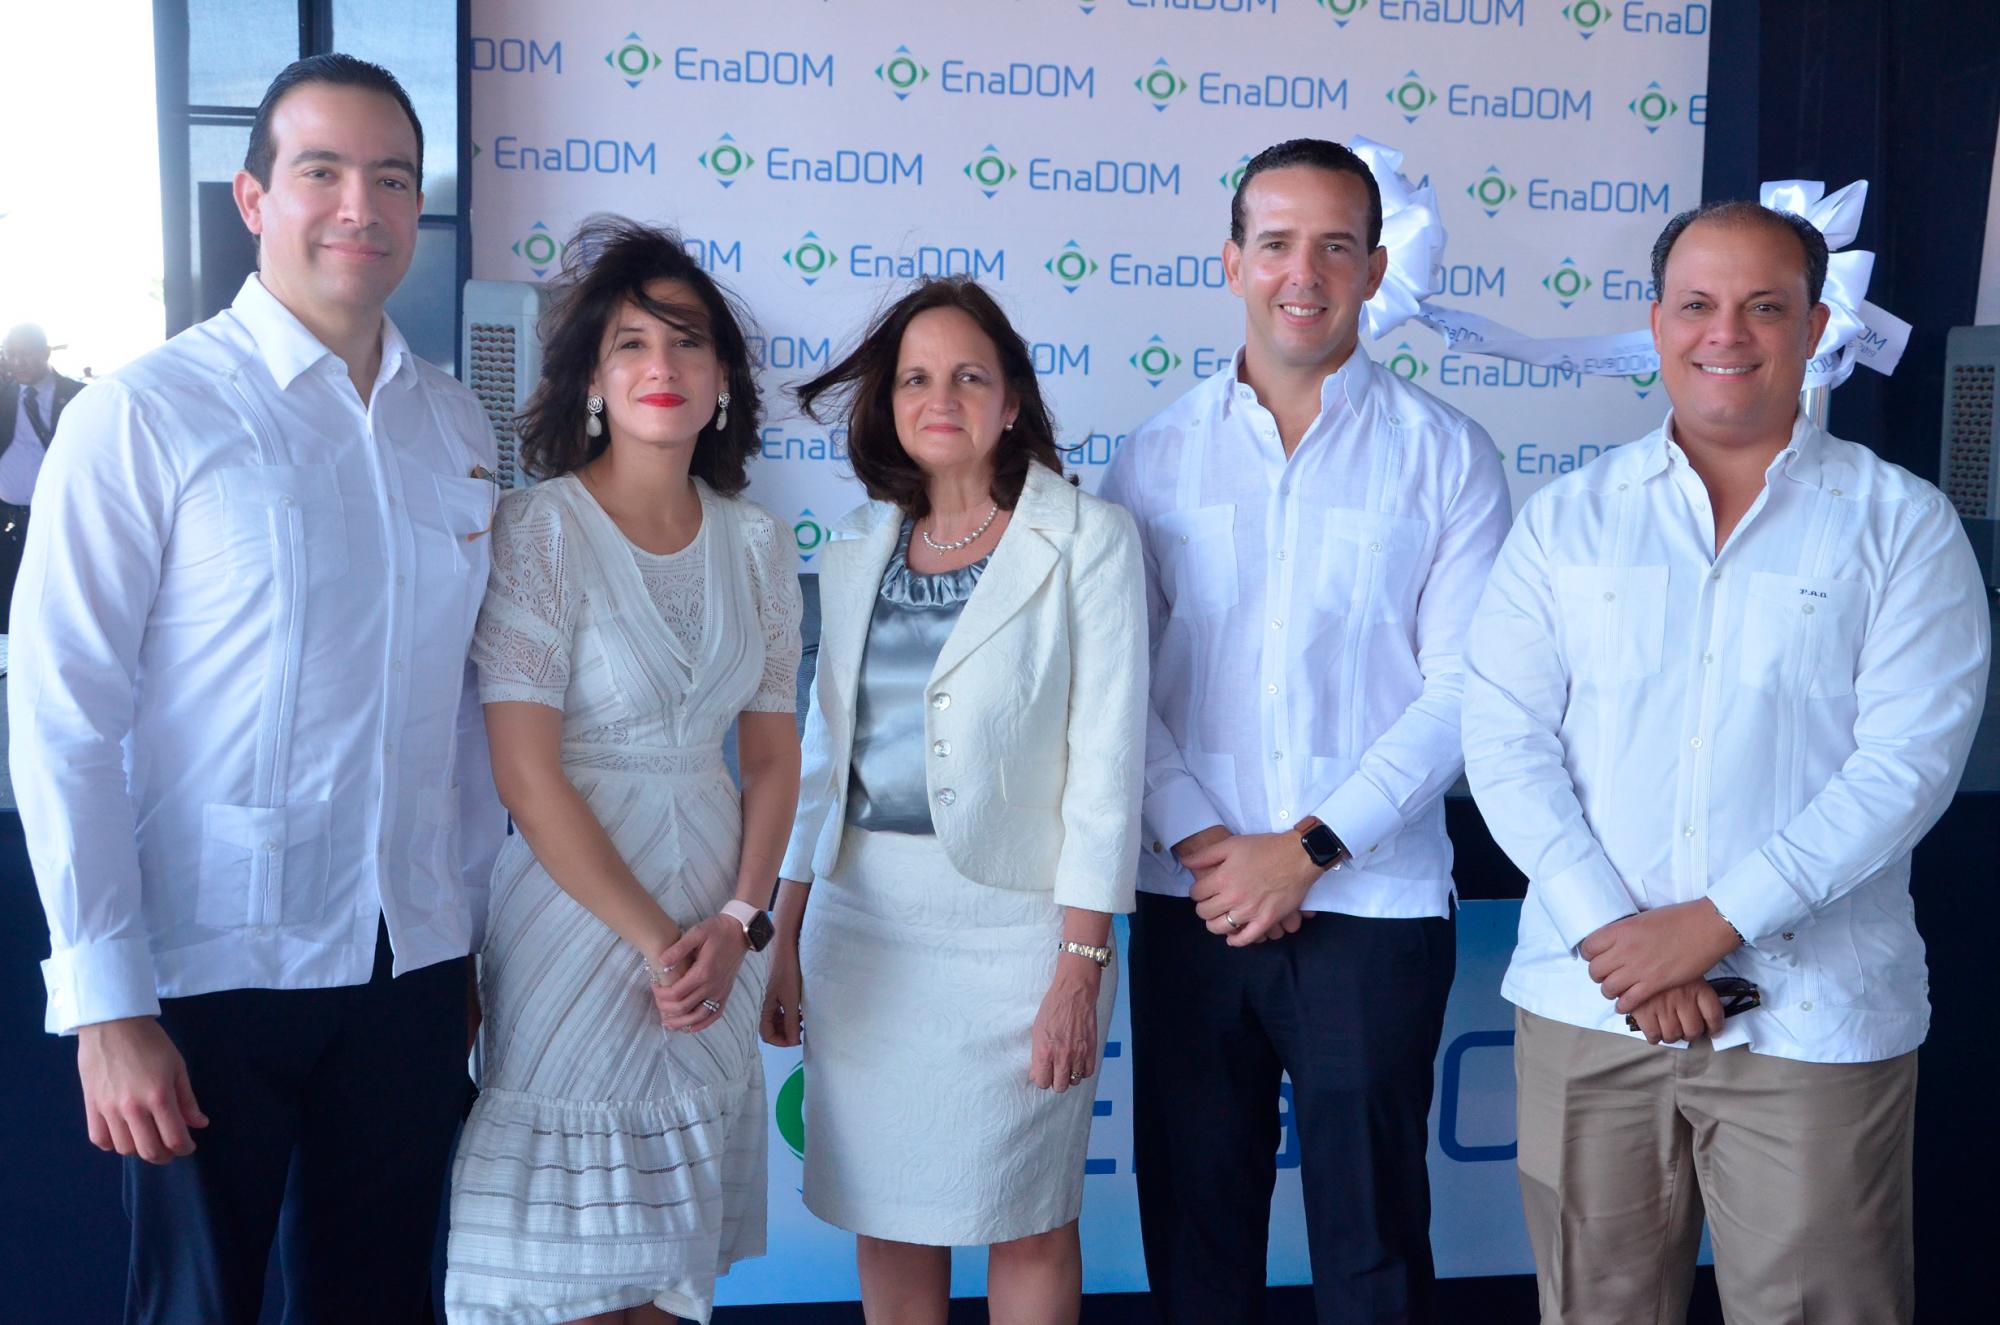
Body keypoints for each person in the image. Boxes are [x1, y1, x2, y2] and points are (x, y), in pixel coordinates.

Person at [9, 55, 505, 1324]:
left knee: (382, 1295)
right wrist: (107, 1003)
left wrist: (469, 931)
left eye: (392, 178)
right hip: (209, 959)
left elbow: (463, 709)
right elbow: (66, 709)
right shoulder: (146, 413)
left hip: (408, 959)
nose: (362, 206)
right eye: (322, 171)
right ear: (252, 197)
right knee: (198, 1303)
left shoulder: (456, 428)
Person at [1462, 201, 1990, 1325]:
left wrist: (1709, 921)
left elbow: (1904, 765)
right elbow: (1504, 741)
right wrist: (1624, 939)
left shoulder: (1900, 524)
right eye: (1697, 305)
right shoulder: (1565, 521)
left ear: (1813, 328)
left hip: (1811, 1019)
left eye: (1764, 307)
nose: (1727, 334)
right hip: (1587, 1003)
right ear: (1654, 324)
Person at [1098, 137, 1511, 1324]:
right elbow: (1121, 683)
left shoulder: (1446, 455)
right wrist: (1205, 843)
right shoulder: (1152, 455)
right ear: (1230, 260)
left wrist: (1311, 846)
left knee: (1371, 1236)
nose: (1303, 270)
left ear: (1375, 268)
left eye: (1335, 243)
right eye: (1274, 241)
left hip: (1371, 911)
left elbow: (1466, 686)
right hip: (1192, 903)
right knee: (1194, 1225)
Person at [765, 278, 1146, 1325]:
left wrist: (1079, 965)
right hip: (866, 931)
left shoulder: (1087, 539)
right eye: (916, 378)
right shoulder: (853, 545)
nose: (942, 397)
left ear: (1012, 398)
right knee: (887, 1214)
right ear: (888, 403)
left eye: (969, 375)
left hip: (1023, 935)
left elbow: (1105, 766)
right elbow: (820, 755)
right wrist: (783, 927)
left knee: (1029, 1215)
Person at [445, 216, 801, 1325]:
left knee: (665, 1282)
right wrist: (659, 943)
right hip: (579, 928)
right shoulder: (538, 528)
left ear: (723, 383)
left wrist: (739, 921)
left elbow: (774, 753)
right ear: (594, 376)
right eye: (632, 343)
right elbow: (524, 772)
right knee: (547, 1281)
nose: (662, 367)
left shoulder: (757, 543)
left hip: (715, 933)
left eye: (688, 343)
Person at [0, 323, 84, 632]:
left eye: (26, 354)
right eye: (11, 355)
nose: (17, 362)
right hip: (8, 521)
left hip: (57, 517)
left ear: (46, 353)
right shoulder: (3, 396)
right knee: (8, 597)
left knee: (53, 595)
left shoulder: (79, 396)